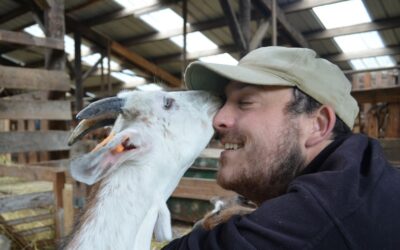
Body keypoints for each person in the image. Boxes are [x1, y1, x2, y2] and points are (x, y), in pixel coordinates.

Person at [163, 46, 400, 249]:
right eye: (224, 103)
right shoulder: (360, 175)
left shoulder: (323, 215)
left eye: (245, 102)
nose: (218, 119)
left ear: (318, 125)